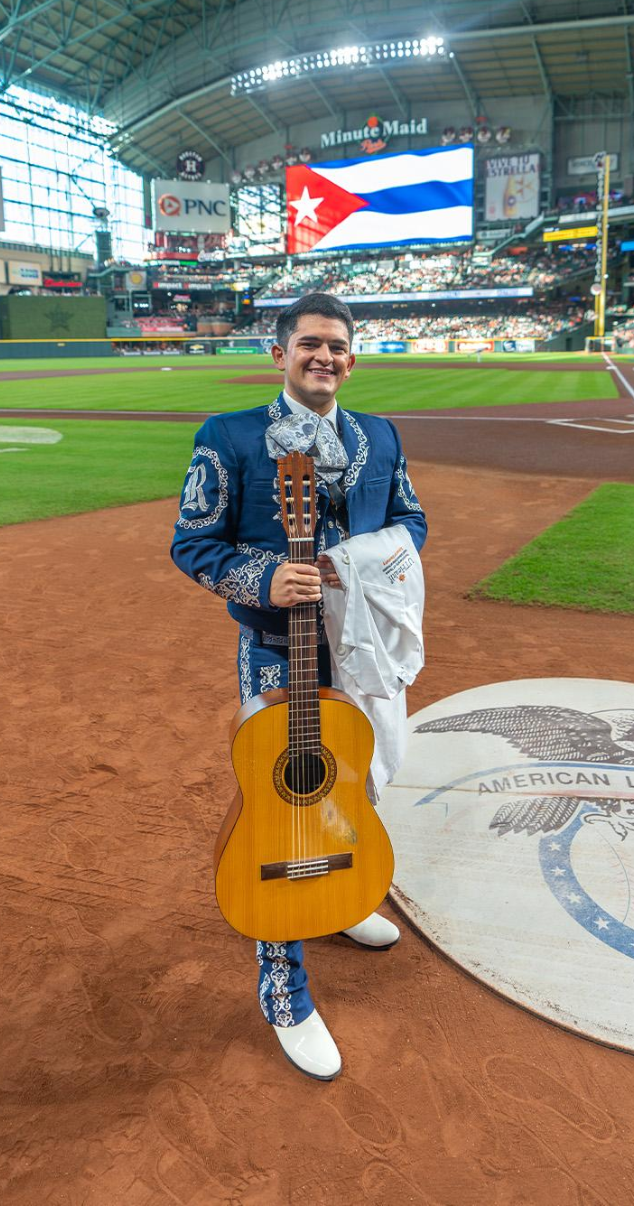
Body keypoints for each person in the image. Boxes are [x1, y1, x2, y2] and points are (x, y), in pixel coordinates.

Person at [171, 292, 427, 1081]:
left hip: (364, 652)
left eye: (337, 347)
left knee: (359, 783)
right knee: (281, 805)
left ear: (353, 360)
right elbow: (192, 541)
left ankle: (341, 900)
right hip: (279, 653)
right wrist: (261, 574)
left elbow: (412, 521)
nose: (324, 357)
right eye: (310, 344)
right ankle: (282, 983)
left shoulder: (378, 435)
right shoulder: (228, 437)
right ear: (278, 353)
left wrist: (359, 564)